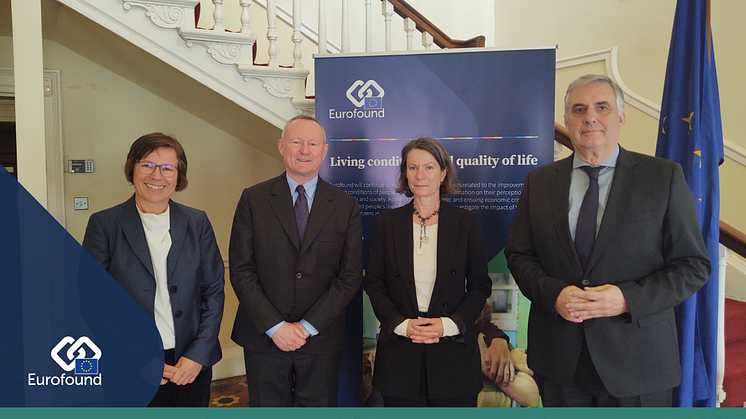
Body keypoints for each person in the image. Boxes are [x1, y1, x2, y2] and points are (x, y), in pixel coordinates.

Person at [504, 74, 711, 407]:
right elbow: (519, 255)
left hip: (637, 364)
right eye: (579, 109)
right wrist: (554, 294)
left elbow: (693, 265)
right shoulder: (539, 182)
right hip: (560, 363)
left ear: (621, 117)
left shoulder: (662, 178)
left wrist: (626, 299)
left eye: (602, 107)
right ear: (568, 121)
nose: (590, 117)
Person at [229, 115, 363, 407]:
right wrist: (276, 327)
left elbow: (349, 275)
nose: (305, 150)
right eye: (296, 142)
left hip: (320, 337)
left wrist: (306, 327)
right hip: (264, 336)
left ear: (324, 150)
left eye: (313, 143)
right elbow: (241, 270)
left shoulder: (345, 205)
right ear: (281, 146)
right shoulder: (253, 199)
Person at [82, 133, 225, 406]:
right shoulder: (104, 225)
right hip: (128, 365)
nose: (157, 176)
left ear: (178, 175)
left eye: (168, 168)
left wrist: (198, 355)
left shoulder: (197, 222)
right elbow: (94, 303)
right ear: (132, 168)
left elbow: (213, 292)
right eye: (147, 165)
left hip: (189, 363)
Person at [364, 137, 492, 407]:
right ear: (404, 173)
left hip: (452, 354)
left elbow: (480, 286)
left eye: (429, 167)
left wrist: (448, 325)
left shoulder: (466, 223)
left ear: (444, 172)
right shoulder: (386, 223)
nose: (420, 175)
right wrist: (401, 325)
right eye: (412, 168)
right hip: (400, 354)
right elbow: (375, 284)